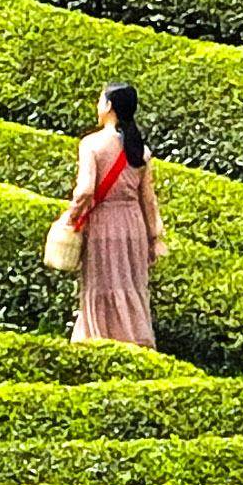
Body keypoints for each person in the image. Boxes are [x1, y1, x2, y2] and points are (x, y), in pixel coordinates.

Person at [63, 82, 166, 349]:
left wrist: (70, 217)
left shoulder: (92, 145)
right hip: (133, 226)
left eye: (100, 101)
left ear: (109, 107)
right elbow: (149, 200)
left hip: (104, 224)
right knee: (130, 285)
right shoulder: (140, 151)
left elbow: (85, 191)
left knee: (102, 284)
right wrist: (154, 237)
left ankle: (97, 341)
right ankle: (136, 341)